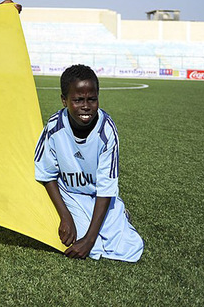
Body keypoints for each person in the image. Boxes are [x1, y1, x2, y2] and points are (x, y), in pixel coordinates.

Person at [34, 64, 144, 261]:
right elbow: (46, 174)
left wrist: (89, 239)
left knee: (129, 249)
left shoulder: (106, 131)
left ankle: (119, 213)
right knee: (74, 242)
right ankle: (101, 222)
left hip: (99, 196)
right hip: (70, 194)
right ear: (64, 100)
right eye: (77, 100)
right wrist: (65, 216)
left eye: (92, 99)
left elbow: (106, 187)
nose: (86, 106)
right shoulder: (54, 127)